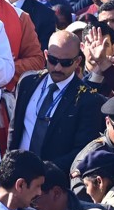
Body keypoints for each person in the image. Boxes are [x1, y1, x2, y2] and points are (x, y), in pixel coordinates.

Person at [9, 31, 108, 171]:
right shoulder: (27, 82)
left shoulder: (89, 99)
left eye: (66, 63)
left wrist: (43, 171)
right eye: (53, 60)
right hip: (18, 173)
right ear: (45, 55)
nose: (58, 68)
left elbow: (81, 150)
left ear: (78, 61)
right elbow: (15, 129)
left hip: (54, 181)